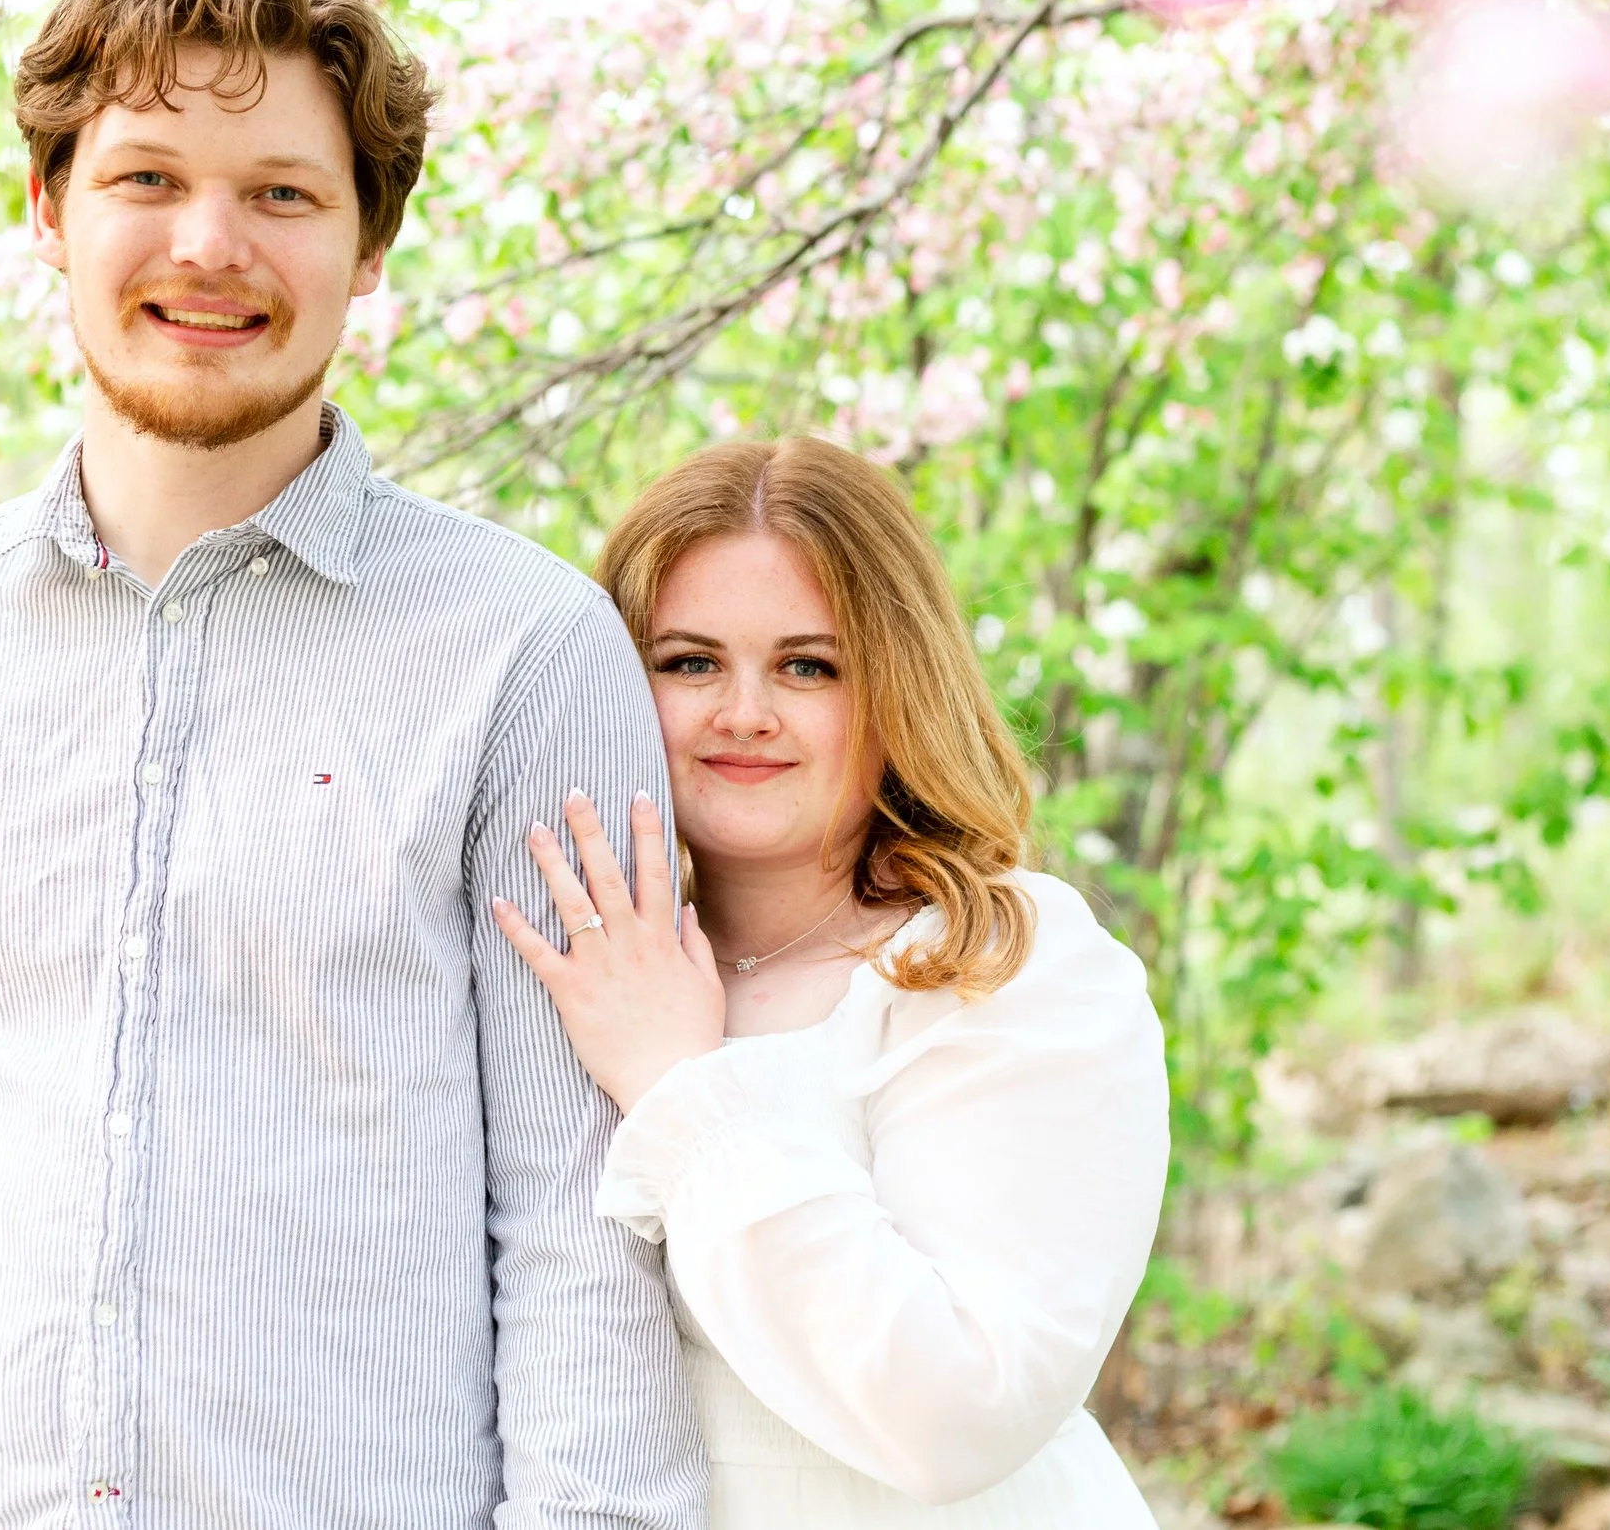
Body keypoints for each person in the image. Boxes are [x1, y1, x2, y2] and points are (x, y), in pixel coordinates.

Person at [0, 0, 704, 1530]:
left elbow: (578, 1223)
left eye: (284, 191)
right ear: (50, 210)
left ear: (366, 249)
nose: (210, 244)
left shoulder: (527, 652)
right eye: (147, 175)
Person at [492, 437, 1169, 1527]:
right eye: (687, 661)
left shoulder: (1009, 963)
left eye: (810, 664)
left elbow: (957, 1411)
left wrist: (680, 1081)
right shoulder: (576, 964)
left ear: (898, 682)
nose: (744, 712)